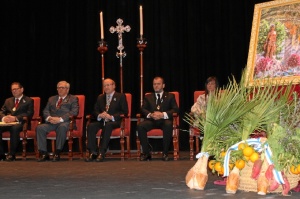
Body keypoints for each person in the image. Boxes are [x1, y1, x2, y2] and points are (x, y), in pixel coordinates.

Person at [85, 78, 128, 162]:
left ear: (114, 86)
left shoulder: (120, 96)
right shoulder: (100, 97)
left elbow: (125, 112)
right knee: (91, 126)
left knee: (108, 125)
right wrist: (100, 115)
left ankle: (101, 152)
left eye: (108, 85)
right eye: (104, 86)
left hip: (114, 121)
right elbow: (95, 111)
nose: (106, 87)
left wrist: (111, 116)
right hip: (102, 120)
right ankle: (93, 152)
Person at [137, 76, 179, 161]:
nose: (156, 86)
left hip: (164, 120)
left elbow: (175, 109)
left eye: (158, 84)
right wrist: (151, 114)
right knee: (140, 126)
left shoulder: (170, 96)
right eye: (154, 84)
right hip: (151, 120)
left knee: (168, 124)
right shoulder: (148, 96)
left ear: (163, 85)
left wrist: (162, 114)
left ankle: (165, 153)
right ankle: (146, 153)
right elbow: (143, 109)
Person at [36, 81, 79, 162]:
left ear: (67, 89)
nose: (60, 89)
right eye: (58, 88)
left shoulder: (73, 98)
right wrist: (49, 118)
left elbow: (74, 112)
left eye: (62, 88)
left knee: (62, 127)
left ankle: (57, 152)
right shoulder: (51, 99)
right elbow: (45, 110)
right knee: (40, 128)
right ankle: (44, 153)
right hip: (52, 122)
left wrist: (60, 119)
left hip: (66, 122)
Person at [0, 82, 34, 161]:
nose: (14, 91)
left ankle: (12, 154)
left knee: (14, 129)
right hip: (7, 123)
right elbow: (1, 112)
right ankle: (1, 154)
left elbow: (29, 113)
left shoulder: (28, 100)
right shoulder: (8, 100)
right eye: (12, 90)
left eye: (16, 89)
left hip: (21, 123)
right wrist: (4, 118)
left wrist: (15, 118)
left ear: (22, 89)